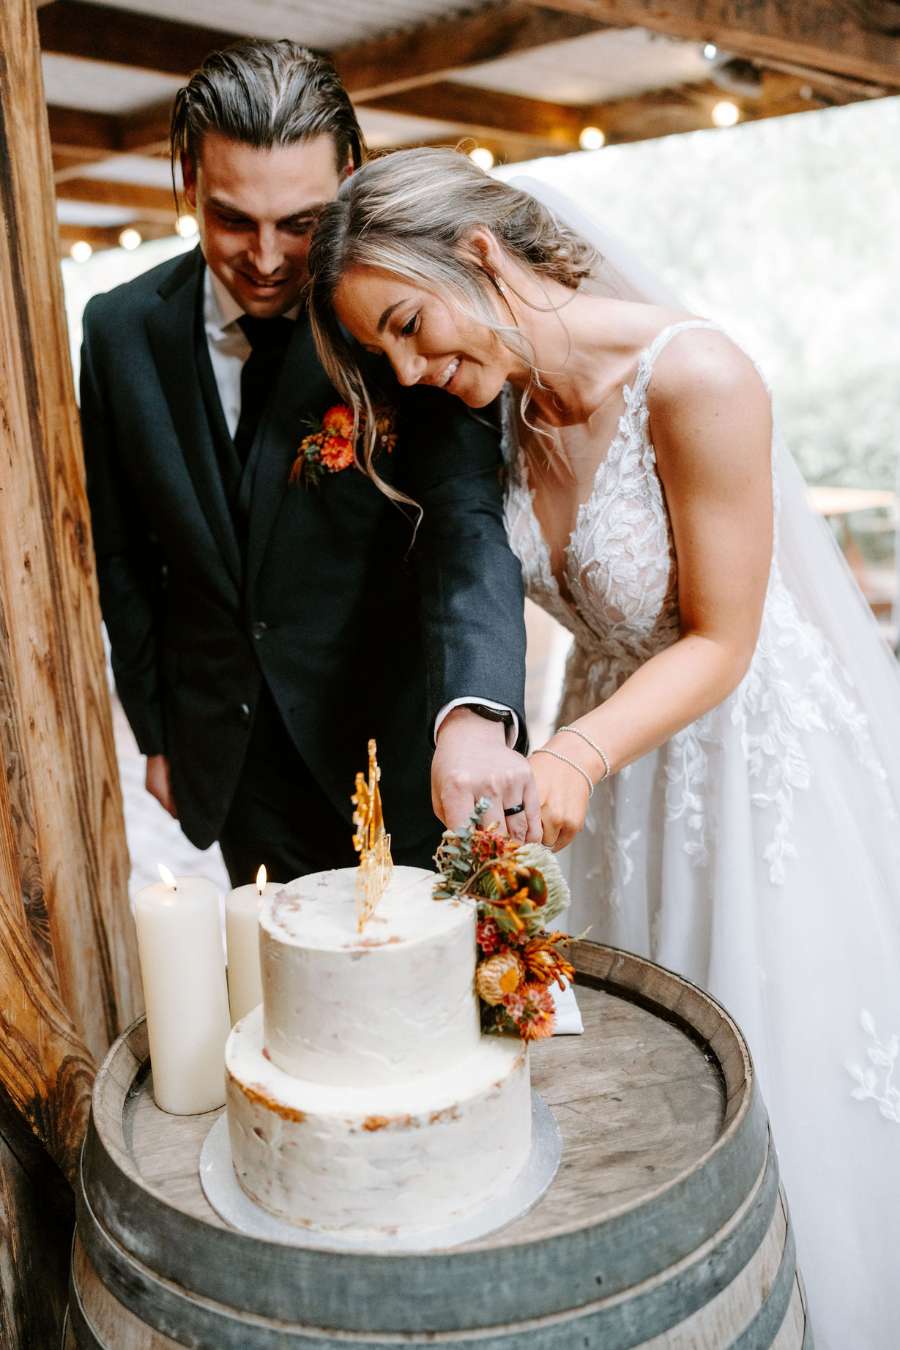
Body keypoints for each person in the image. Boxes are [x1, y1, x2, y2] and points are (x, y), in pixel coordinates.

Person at [307, 146, 900, 1348]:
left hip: (743, 761)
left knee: (769, 1066)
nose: (413, 370)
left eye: (412, 327)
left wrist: (572, 754)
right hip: (612, 762)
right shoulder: (495, 413)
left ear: (477, 254)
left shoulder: (697, 374)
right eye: (387, 355)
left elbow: (725, 639)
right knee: (645, 1083)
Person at [80, 45, 540, 889]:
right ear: (188, 182)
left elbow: (464, 525)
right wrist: (157, 732)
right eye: (231, 219)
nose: (266, 258)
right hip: (237, 763)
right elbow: (124, 554)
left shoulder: (401, 320)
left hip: (408, 756)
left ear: (351, 175)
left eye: (300, 223)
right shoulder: (118, 333)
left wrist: (473, 713)